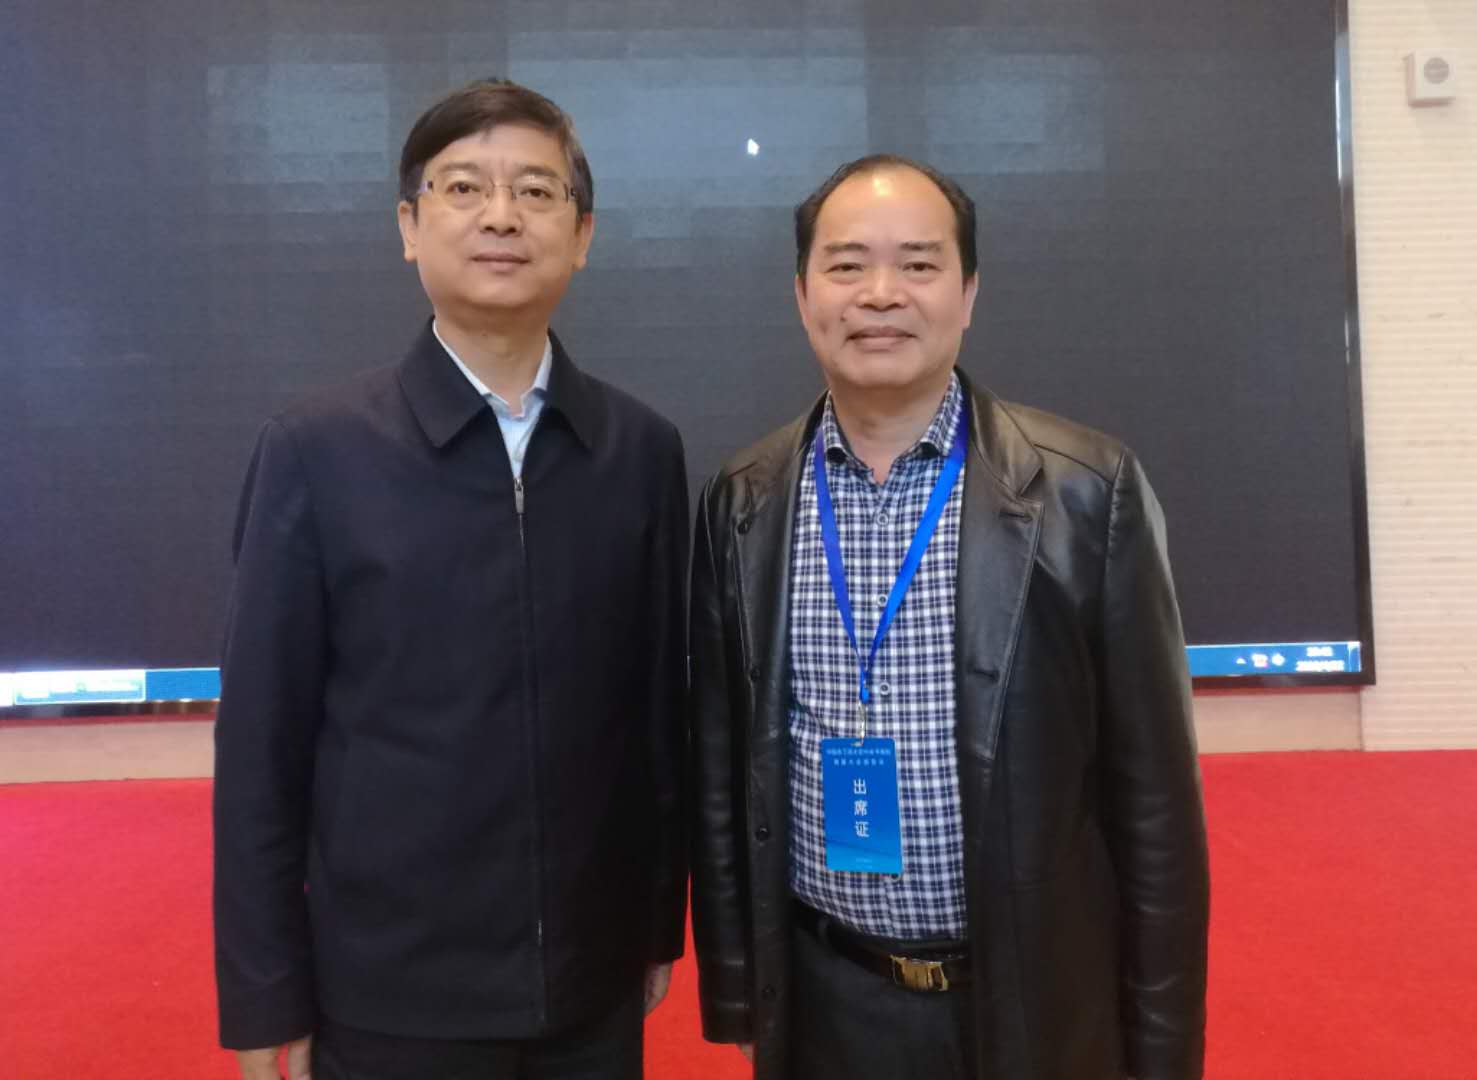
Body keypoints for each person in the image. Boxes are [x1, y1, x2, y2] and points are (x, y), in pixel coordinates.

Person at [689, 154, 1210, 1080]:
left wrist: (1162, 1050)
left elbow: (1155, 807)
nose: (879, 294)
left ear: (967, 293)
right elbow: (724, 768)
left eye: (919, 264)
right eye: (846, 265)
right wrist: (738, 990)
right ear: (802, 294)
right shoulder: (744, 499)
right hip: (826, 999)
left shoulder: (1087, 492)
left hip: (1030, 1004)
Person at [213, 78, 688, 1080]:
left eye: (536, 191)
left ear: (582, 234)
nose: (501, 216)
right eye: (463, 187)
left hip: (591, 990)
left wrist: (654, 925)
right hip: (389, 992)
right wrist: (265, 989)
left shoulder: (638, 450)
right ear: (408, 226)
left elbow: (655, 719)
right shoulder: (316, 450)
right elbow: (261, 742)